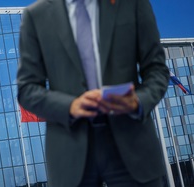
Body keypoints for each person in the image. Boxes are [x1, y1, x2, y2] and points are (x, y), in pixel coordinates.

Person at [17, 0, 170, 186]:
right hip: (70, 153)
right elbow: (27, 89)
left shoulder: (132, 4)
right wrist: (70, 106)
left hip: (132, 145)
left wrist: (138, 101)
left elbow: (157, 69)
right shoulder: (36, 16)